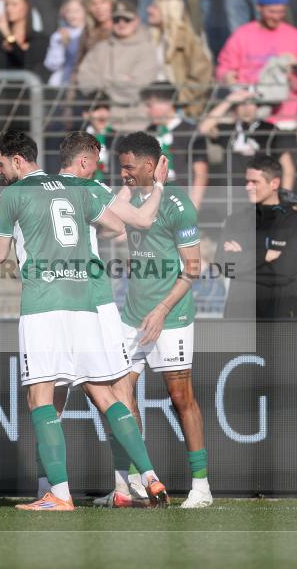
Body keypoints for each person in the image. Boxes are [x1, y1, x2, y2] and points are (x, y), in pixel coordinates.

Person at [0, 129, 170, 511]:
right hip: (87, 302)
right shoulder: (79, 188)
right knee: (105, 393)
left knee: (41, 396)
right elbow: (120, 226)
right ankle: (150, 475)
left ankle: (59, 493)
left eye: (1, 163)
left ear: (18, 161)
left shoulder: (15, 194)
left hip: (44, 304)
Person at [106, 131, 211, 508]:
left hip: (172, 315)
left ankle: (201, 487)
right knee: (120, 394)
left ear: (150, 165)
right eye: (121, 168)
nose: (124, 174)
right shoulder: (128, 197)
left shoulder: (179, 205)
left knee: (181, 396)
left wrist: (163, 309)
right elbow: (117, 217)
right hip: (132, 314)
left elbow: (194, 267)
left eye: (130, 167)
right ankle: (128, 484)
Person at [216, 0, 297, 129]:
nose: (276, 17)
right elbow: (224, 67)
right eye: (271, 11)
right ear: (259, 8)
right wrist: (227, 77)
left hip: (285, 116)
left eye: (281, 12)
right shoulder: (242, 35)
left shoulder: (296, 37)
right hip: (248, 112)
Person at [219, 153, 297, 318]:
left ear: (274, 183)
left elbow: (285, 271)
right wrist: (265, 255)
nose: (248, 187)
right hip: (239, 317)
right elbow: (223, 265)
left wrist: (242, 261)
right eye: (247, 181)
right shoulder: (235, 221)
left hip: (278, 317)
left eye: (254, 182)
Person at [77, 0, 159, 132]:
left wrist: (104, 84)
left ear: (136, 20)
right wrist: (119, 81)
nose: (121, 23)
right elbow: (84, 80)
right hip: (103, 124)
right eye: (116, 19)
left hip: (137, 124)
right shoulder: (100, 48)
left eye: (126, 19)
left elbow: (137, 89)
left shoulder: (147, 49)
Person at [199, 86, 296, 190]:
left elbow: (288, 168)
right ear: (235, 107)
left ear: (257, 106)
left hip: (261, 195)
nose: (247, 109)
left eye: (251, 103)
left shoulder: (269, 130)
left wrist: (285, 199)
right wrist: (229, 100)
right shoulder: (228, 129)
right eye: (242, 104)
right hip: (233, 194)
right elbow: (203, 128)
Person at [141, 83, 209, 209]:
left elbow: (200, 173)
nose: (147, 111)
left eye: (150, 105)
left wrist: (193, 207)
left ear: (166, 103)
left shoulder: (190, 131)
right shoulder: (149, 131)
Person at [146, 0, 213, 119]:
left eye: (154, 7)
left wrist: (176, 99)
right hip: (153, 105)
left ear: (167, 11)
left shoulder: (188, 41)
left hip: (181, 110)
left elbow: (202, 77)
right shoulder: (153, 38)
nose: (148, 10)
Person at [43, 0, 87, 86]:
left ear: (85, 11)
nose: (72, 15)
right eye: (69, 11)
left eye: (77, 11)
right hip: (62, 83)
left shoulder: (90, 32)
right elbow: (51, 64)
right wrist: (61, 44)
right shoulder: (58, 36)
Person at [74, 0, 116, 70]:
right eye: (94, 4)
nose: (99, 8)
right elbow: (80, 62)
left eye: (103, 2)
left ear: (111, 3)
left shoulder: (122, 27)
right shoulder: (88, 31)